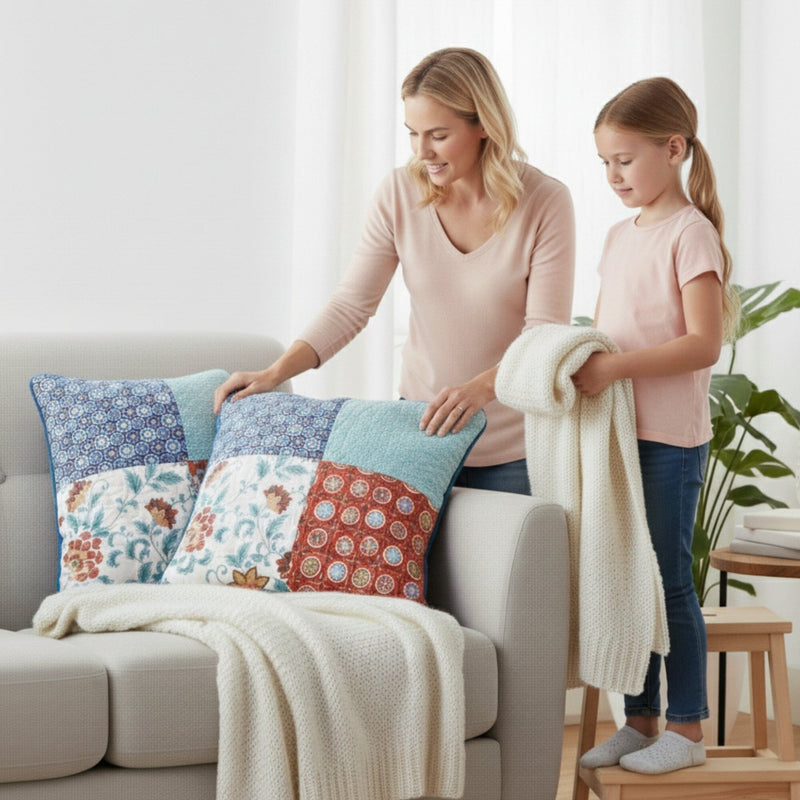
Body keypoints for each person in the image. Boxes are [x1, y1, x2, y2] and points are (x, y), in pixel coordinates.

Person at [214, 47, 575, 495]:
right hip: (419, 433)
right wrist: (276, 372)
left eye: (438, 135)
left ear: (483, 124)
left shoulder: (545, 202)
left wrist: (478, 391)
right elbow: (351, 304)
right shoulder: (399, 193)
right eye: (412, 133)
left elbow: (544, 336)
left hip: (514, 447)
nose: (422, 152)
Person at [572, 77, 739, 774]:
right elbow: (613, 330)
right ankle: (638, 720)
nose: (614, 176)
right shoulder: (617, 235)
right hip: (618, 436)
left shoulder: (690, 234)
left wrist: (614, 370)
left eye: (627, 159)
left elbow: (703, 343)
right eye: (605, 162)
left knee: (668, 580)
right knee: (627, 577)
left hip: (669, 439)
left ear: (674, 149)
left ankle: (689, 728)